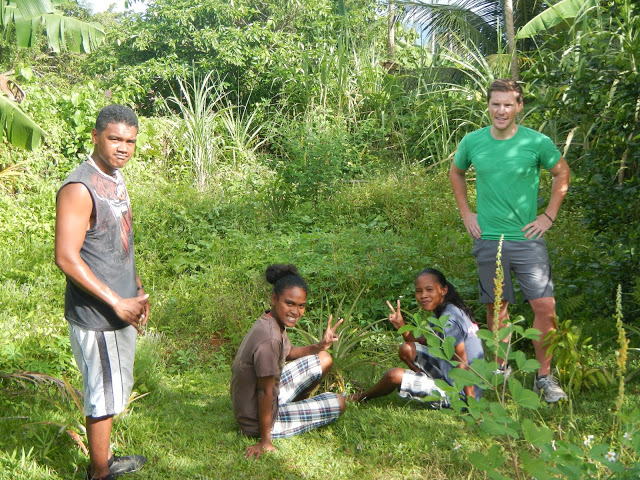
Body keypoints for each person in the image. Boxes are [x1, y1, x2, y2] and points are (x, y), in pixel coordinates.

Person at [449, 79, 571, 403]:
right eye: (495, 104)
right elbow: (455, 172)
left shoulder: (537, 142)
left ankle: (543, 377)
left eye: (508, 104)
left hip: (527, 239)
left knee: (545, 306)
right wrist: (467, 214)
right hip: (488, 237)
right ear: (488, 106)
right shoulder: (473, 142)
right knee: (496, 306)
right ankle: (500, 370)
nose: (501, 110)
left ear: (518, 107)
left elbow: (562, 173)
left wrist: (548, 216)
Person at [55, 105, 149, 480]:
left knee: (110, 392)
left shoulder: (115, 176)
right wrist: (116, 301)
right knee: (103, 396)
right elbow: (65, 256)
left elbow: (118, 241)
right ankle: (99, 473)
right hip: (99, 315)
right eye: (114, 139)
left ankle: (103, 460)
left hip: (122, 307)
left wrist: (137, 291)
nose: (123, 148)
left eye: (129, 141)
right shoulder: (80, 187)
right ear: (95, 137)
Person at [230, 264, 347, 460]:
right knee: (339, 403)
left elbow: (290, 352)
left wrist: (319, 346)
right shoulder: (269, 339)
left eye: (301, 306)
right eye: (290, 303)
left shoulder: (271, 320)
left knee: (324, 358)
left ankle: (296, 406)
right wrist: (265, 441)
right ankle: (273, 425)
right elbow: (264, 391)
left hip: (257, 399)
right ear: (274, 299)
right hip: (255, 419)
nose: (296, 311)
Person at [350, 268, 484, 407]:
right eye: (419, 291)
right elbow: (421, 343)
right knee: (407, 349)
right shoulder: (445, 311)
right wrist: (401, 325)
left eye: (429, 290)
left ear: (443, 290)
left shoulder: (449, 320)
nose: (423, 295)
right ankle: (423, 384)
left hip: (461, 392)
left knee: (394, 375)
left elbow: (463, 363)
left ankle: (360, 397)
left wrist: (473, 405)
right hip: (451, 376)